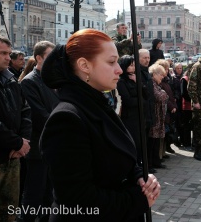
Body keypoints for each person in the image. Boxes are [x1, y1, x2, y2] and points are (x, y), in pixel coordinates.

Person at [40, 29, 160, 221]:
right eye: (111, 62)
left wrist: (140, 176)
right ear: (84, 65)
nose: (119, 69)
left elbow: (118, 155)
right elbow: (78, 200)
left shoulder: (97, 104)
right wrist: (138, 199)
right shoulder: (67, 119)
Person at [19, 41, 59, 222]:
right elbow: (39, 114)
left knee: (49, 195)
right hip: (37, 147)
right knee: (34, 194)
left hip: (52, 145)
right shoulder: (29, 82)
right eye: (50, 57)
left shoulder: (52, 79)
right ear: (39, 58)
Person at [0, 37, 31, 222]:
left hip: (14, 157)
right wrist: (17, 142)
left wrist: (23, 142)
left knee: (10, 210)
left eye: (8, 54)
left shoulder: (11, 81)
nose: (7, 58)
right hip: (5, 151)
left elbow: (25, 111)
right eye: (3, 53)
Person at [117, 55, 142, 166]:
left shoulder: (134, 78)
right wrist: (140, 100)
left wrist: (138, 83)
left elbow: (146, 95)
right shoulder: (121, 81)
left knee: (140, 142)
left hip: (139, 116)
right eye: (131, 65)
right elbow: (128, 100)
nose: (133, 68)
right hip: (129, 117)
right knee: (133, 142)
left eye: (134, 65)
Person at [148, 63, 169, 169]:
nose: (162, 77)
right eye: (161, 75)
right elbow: (160, 96)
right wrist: (164, 93)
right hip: (154, 117)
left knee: (157, 141)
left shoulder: (157, 84)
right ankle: (150, 163)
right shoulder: (151, 84)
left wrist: (164, 93)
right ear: (155, 74)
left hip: (159, 117)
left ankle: (156, 161)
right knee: (152, 141)